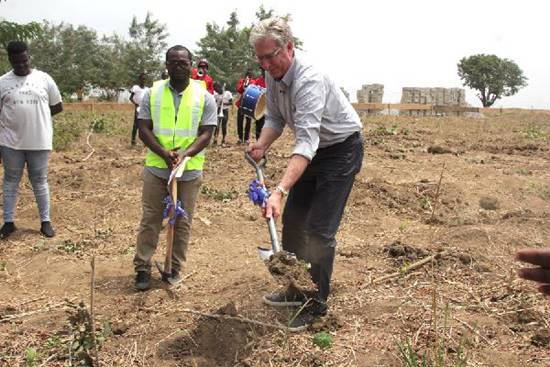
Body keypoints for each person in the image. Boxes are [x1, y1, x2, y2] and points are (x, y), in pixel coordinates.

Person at [246, 18, 364, 331]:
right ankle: (294, 289)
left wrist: (280, 190)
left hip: (340, 150)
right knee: (295, 221)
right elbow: (274, 117)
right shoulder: (272, 75)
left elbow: (307, 141)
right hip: (314, 152)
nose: (266, 64)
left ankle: (316, 303)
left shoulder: (309, 79)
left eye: (271, 56)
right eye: (260, 59)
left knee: (319, 231)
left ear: (289, 47)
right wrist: (261, 145)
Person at [133, 45, 217, 290]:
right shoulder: (152, 93)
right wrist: (164, 153)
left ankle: (174, 267)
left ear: (191, 65)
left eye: (183, 62)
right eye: (173, 62)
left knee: (182, 221)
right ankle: (142, 268)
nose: (178, 66)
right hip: (157, 168)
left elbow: (206, 133)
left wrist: (185, 155)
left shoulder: (205, 96)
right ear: (166, 65)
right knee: (150, 219)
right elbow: (144, 128)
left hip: (188, 170)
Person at [0, 41, 63, 240]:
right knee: (10, 181)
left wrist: (38, 119)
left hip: (39, 142)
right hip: (11, 144)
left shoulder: (44, 79)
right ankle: (8, 223)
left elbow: (57, 106)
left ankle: (45, 222)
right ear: (10, 60)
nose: (22, 65)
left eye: (25, 61)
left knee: (40, 182)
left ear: (29, 57)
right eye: (17, 62)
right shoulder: (2, 82)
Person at [129, 72, 149, 146]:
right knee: (136, 125)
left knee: (145, 126)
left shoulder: (147, 89)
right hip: (138, 109)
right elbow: (130, 98)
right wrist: (136, 104)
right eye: (142, 79)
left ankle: (145, 142)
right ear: (139, 79)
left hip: (145, 109)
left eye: (145, 79)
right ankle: (133, 141)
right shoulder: (135, 87)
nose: (143, 80)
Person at [235, 69, 253, 144]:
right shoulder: (241, 81)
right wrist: (244, 84)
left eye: (250, 75)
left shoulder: (253, 82)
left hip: (249, 104)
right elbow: (239, 90)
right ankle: (240, 138)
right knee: (239, 121)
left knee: (248, 122)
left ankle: (246, 138)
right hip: (241, 103)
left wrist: (249, 83)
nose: (248, 76)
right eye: (247, 75)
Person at [212, 82, 233, 147]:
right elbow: (214, 103)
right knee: (217, 125)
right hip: (218, 110)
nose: (215, 90)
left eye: (216, 89)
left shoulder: (227, 93)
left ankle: (223, 139)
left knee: (224, 125)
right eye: (214, 89)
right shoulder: (215, 95)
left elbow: (231, 102)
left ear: (219, 87)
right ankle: (215, 139)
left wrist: (223, 103)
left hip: (225, 110)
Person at [251, 67, 266, 141]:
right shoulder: (257, 81)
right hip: (260, 107)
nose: (263, 72)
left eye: (264, 70)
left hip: (270, 107)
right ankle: (258, 141)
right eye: (262, 70)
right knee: (259, 125)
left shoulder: (272, 80)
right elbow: (253, 90)